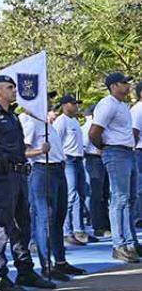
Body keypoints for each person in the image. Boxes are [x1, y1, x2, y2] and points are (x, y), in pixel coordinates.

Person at [0, 75, 52, 291]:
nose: (15, 90)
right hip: (2, 174)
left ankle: (24, 270)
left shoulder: (13, 117)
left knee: (22, 224)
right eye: (10, 87)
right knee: (0, 225)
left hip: (18, 173)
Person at [20, 109, 86, 282]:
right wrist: (40, 151)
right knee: (46, 219)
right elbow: (22, 151)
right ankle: (46, 266)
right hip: (43, 169)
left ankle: (60, 261)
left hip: (58, 168)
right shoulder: (29, 121)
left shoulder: (46, 123)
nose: (47, 103)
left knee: (58, 217)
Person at [89, 72, 140, 263]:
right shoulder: (108, 104)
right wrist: (105, 148)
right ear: (113, 86)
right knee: (119, 198)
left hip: (128, 152)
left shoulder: (123, 106)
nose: (127, 86)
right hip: (116, 151)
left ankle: (129, 242)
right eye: (123, 83)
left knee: (129, 198)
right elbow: (94, 132)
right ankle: (118, 245)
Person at [53, 95, 95, 245]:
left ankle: (79, 230)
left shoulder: (75, 121)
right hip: (68, 159)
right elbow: (56, 142)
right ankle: (66, 231)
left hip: (78, 159)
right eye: (73, 103)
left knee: (81, 194)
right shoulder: (61, 121)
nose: (76, 106)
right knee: (71, 196)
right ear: (64, 105)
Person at [82, 106, 110, 238]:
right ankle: (98, 225)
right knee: (96, 194)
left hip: (101, 159)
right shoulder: (89, 127)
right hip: (94, 159)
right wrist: (98, 150)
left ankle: (105, 223)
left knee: (104, 193)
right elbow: (85, 146)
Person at [131, 82, 142, 228]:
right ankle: (138, 217)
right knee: (139, 187)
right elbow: (134, 131)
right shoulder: (138, 110)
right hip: (139, 151)